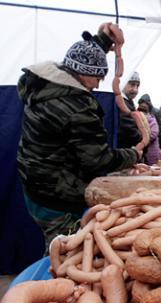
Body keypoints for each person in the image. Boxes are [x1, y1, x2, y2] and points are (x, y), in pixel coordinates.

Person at [17, 26, 141, 249]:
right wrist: (134, 154)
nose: (98, 84)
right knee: (66, 250)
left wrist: (102, 41)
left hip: (35, 184)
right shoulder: (77, 107)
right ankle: (58, 281)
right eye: (98, 78)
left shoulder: (47, 83)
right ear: (84, 74)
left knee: (59, 245)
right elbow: (98, 159)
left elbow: (82, 57)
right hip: (55, 194)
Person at [118, 71, 143, 148]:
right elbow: (130, 131)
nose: (135, 90)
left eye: (137, 86)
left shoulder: (128, 102)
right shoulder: (121, 103)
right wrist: (143, 139)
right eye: (132, 84)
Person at [138, 95, 161, 164]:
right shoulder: (136, 117)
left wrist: (142, 140)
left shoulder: (152, 119)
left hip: (151, 150)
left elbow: (154, 134)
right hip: (141, 150)